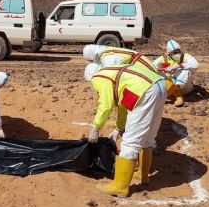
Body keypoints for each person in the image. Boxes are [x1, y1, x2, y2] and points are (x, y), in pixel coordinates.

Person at [85, 62, 166, 197]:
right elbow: (123, 106)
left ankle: (120, 186)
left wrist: (96, 128)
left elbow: (105, 105)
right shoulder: (115, 73)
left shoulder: (99, 77)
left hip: (144, 91)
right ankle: (143, 175)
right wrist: (118, 129)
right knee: (148, 137)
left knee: (130, 140)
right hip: (160, 85)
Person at [153, 40, 199, 107]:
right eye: (175, 52)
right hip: (168, 86)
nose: (178, 54)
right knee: (156, 73)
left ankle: (169, 95)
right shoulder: (164, 58)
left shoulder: (185, 56)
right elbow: (151, 67)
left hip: (184, 88)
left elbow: (196, 65)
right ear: (169, 53)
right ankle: (176, 95)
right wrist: (164, 69)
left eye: (179, 51)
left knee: (186, 70)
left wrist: (178, 66)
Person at [83, 44, 157, 72]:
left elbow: (114, 73)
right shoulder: (107, 51)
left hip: (145, 69)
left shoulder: (108, 58)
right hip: (143, 66)